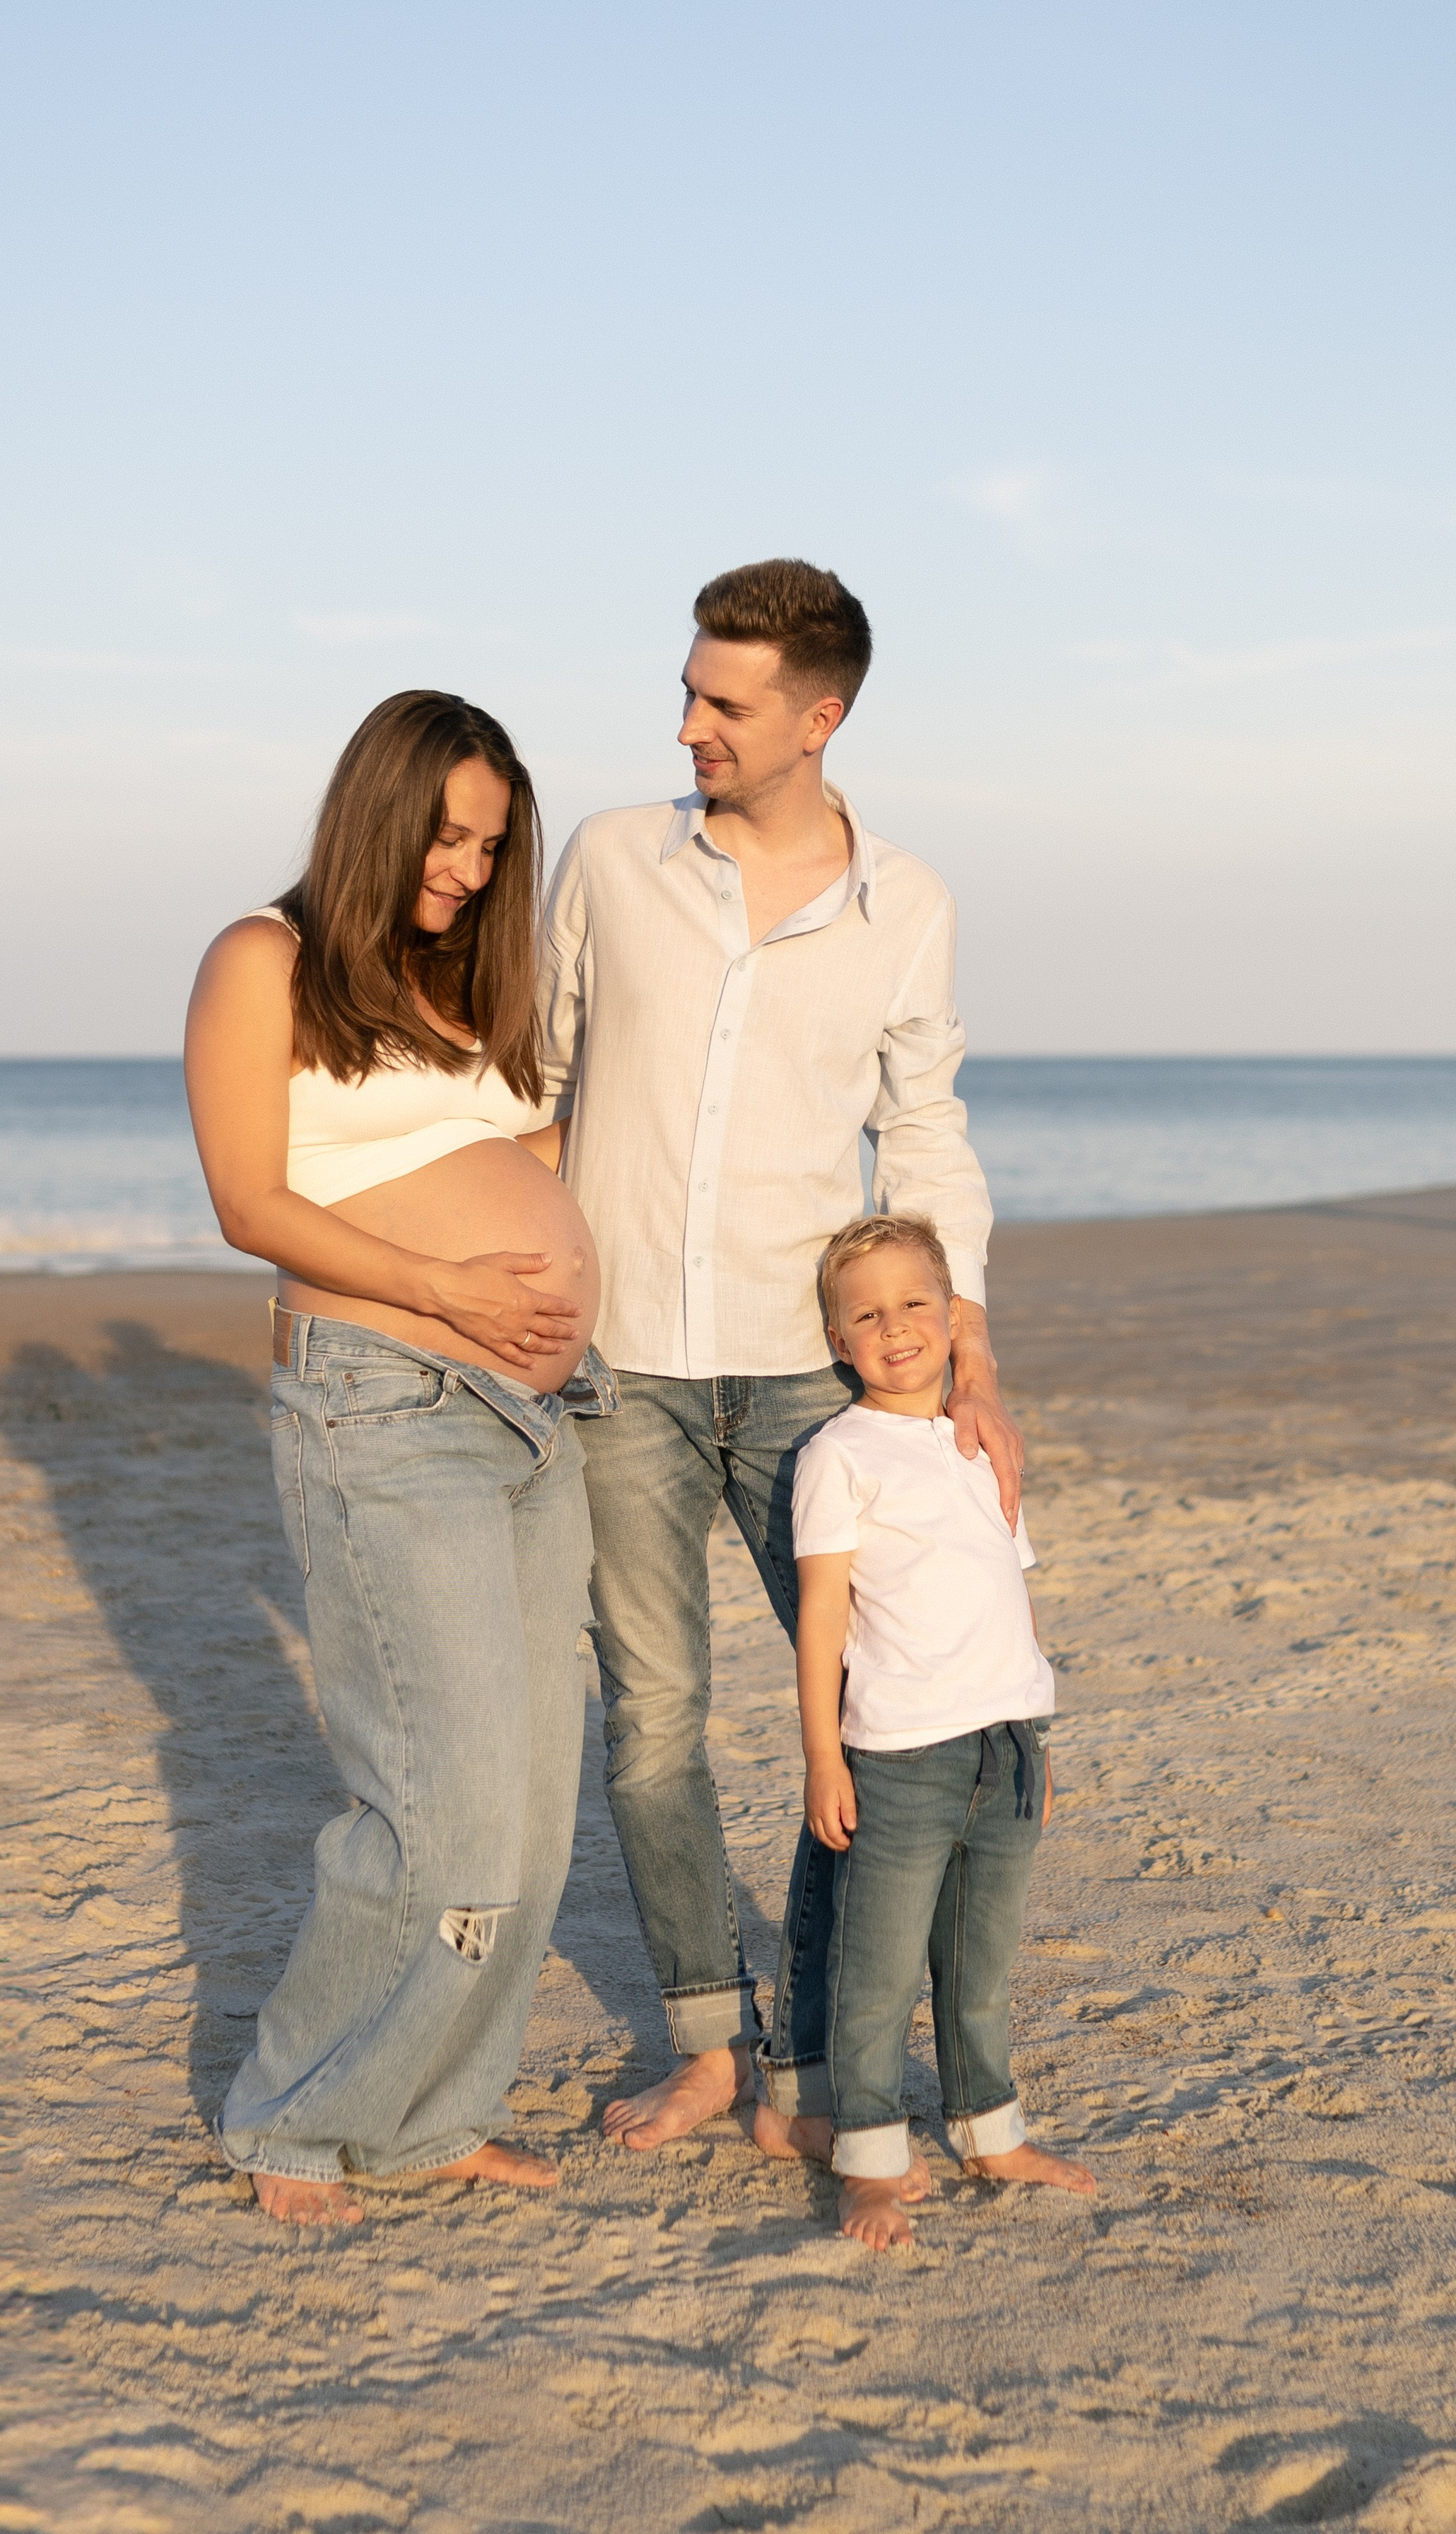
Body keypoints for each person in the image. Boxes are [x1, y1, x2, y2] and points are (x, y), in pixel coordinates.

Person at [539, 558, 1023, 2152]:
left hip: (810, 1383)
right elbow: (534, 1085)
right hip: (618, 1369)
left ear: (817, 718)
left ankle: (816, 2059)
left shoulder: (910, 905)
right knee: (654, 1718)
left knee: (876, 1708)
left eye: (721, 702)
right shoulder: (609, 860)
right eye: (685, 690)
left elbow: (924, 1129)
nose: (685, 724)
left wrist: (967, 1356)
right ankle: (701, 2034)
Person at [184, 689, 613, 2227]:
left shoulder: (469, 989)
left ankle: (431, 2114)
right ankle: (296, 2120)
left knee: (533, 1809)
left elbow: (515, 1158)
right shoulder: (266, 962)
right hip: (381, 1404)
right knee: (436, 1803)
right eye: (446, 834)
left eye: (493, 847)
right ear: (378, 809)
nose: (467, 868)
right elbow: (248, 1199)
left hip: (529, 1425)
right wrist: (449, 1287)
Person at [787, 1211, 1093, 2248]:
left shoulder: (983, 1443)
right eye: (866, 1314)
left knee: (980, 1964)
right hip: (902, 1758)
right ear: (838, 1341)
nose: (897, 1326)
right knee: (875, 1973)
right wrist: (823, 1756)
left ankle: (990, 2132)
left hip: (1005, 1746)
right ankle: (867, 2158)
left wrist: (1035, 1734)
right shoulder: (839, 1454)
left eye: (917, 1302)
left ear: (953, 1317)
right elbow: (823, 1615)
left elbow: (1014, 1592)